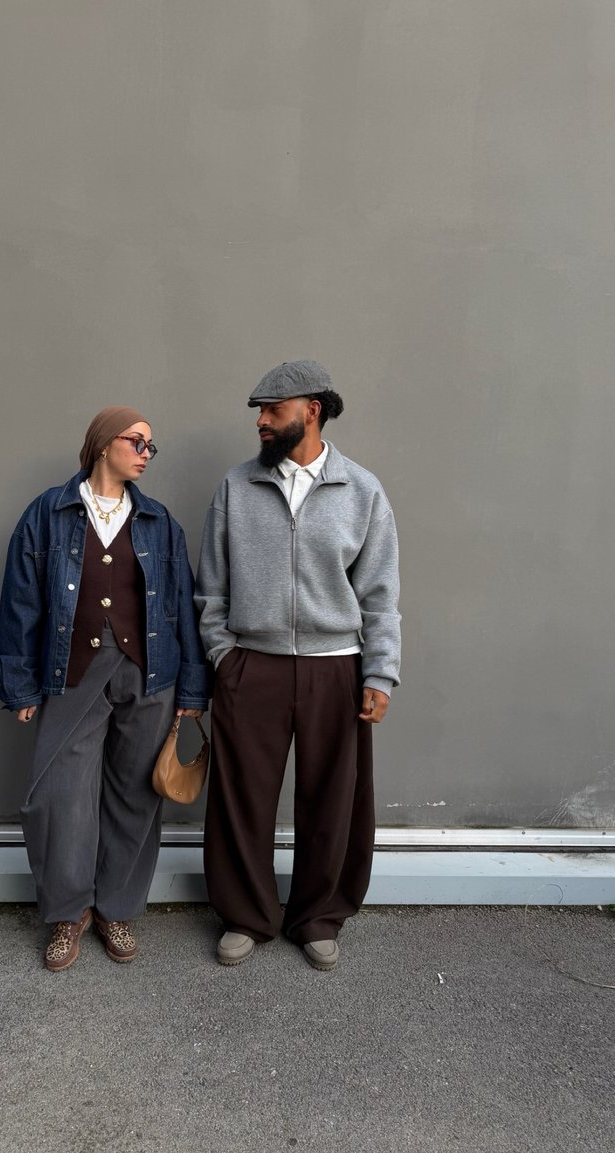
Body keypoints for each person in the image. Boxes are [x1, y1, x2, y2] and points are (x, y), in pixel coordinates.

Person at [195, 361, 401, 971]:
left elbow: (381, 594)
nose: (261, 421)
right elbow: (211, 589)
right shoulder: (237, 488)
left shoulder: (361, 490)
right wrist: (223, 657)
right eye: (258, 411)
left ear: (311, 410)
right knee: (241, 799)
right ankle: (246, 915)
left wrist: (379, 674)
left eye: (272, 410)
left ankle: (318, 915)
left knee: (332, 801)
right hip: (250, 664)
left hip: (335, 666)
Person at [0, 407, 209, 972]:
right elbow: (20, 602)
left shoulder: (160, 521)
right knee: (60, 797)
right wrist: (19, 684)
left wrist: (192, 690)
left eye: (150, 446)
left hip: (151, 672)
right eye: (136, 441)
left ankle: (116, 907)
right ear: (101, 444)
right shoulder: (48, 513)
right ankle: (69, 912)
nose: (145, 453)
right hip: (71, 670)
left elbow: (182, 610)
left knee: (136, 793)